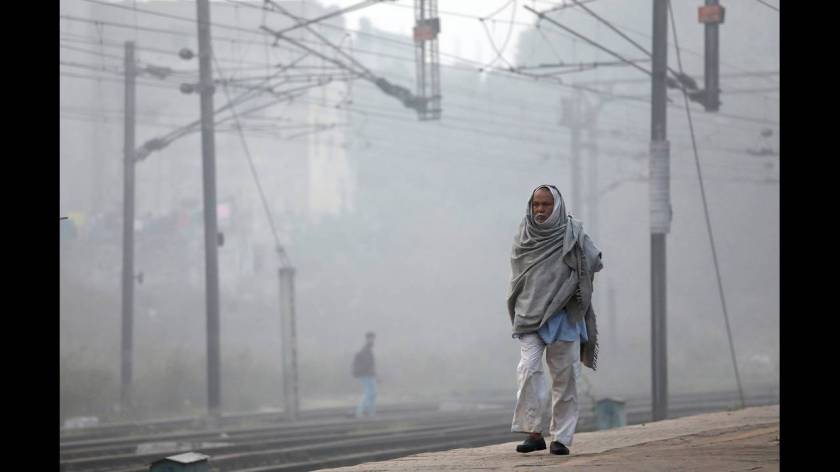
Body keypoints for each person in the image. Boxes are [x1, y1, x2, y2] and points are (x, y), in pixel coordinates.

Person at [507, 185, 603, 456]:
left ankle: (561, 437)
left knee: (565, 377)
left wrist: (575, 281)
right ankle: (534, 432)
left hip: (564, 315)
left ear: (557, 206)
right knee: (528, 369)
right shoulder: (524, 235)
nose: (540, 210)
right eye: (536, 204)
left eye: (546, 204)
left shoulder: (573, 232)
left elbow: (594, 259)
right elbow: (518, 275)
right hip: (529, 315)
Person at [352, 331, 377, 418]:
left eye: (373, 338)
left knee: (372, 393)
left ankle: (369, 412)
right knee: (369, 393)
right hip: (366, 375)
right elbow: (368, 364)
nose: (372, 340)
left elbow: (370, 364)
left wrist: (375, 375)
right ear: (367, 339)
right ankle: (360, 412)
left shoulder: (368, 349)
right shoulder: (365, 350)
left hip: (368, 375)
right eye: (371, 338)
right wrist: (372, 373)